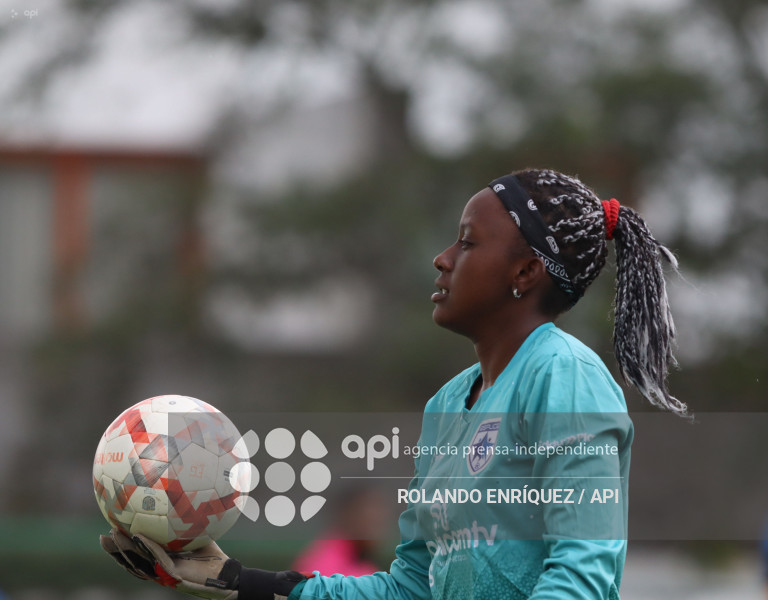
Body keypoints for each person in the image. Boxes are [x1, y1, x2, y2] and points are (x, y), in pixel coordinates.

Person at [101, 168, 683, 599]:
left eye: (467, 241)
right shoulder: (448, 404)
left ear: (526, 271)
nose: (442, 257)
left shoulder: (565, 377)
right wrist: (236, 581)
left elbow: (582, 575)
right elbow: (410, 588)